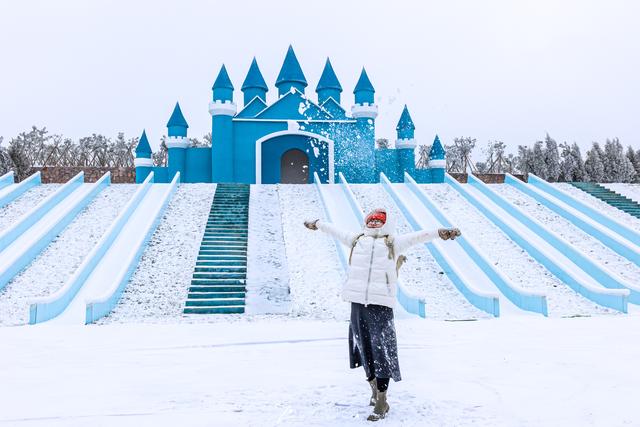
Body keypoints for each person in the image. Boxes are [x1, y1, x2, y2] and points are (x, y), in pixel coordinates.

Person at [304, 208, 460, 421]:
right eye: (372, 220)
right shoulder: (357, 240)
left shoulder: (393, 242)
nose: (375, 223)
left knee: (382, 350)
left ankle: (382, 400)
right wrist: (318, 223)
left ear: (386, 224)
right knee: (363, 348)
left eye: (379, 220)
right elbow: (336, 231)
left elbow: (419, 236)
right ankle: (374, 389)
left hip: (381, 306)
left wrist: (439, 232)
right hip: (357, 303)